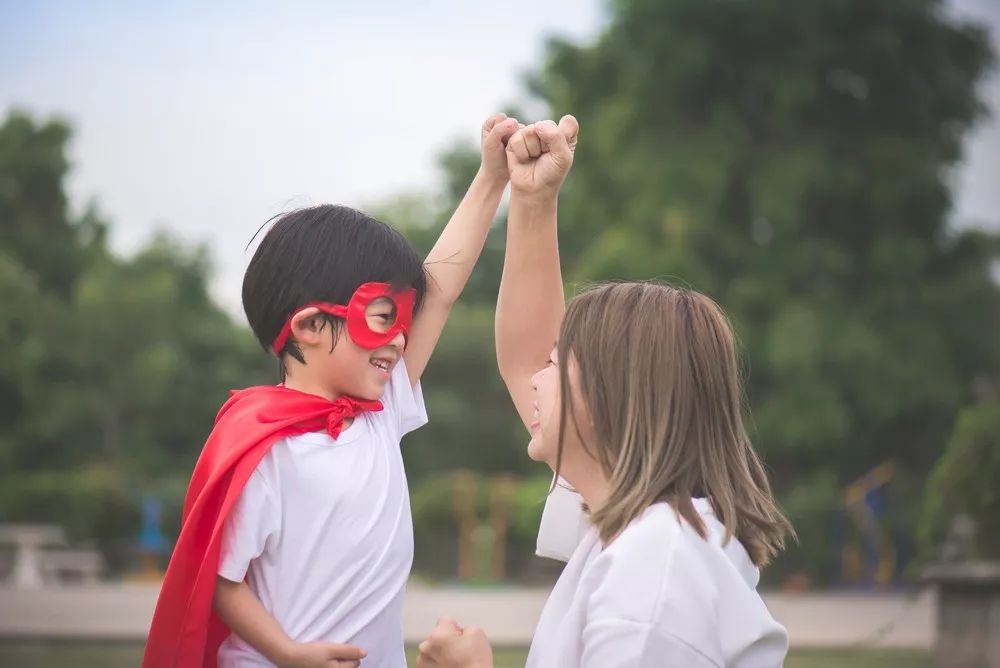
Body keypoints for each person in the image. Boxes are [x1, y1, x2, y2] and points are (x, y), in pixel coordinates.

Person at [143, 113, 522, 668]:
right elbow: (221, 577)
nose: (399, 339)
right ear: (310, 326)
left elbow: (439, 289)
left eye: (404, 320)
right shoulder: (266, 448)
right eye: (382, 317)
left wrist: (492, 175)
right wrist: (287, 652)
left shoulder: (378, 409)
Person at [417, 117, 793, 667]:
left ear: (608, 397)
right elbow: (524, 357)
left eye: (556, 362)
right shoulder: (635, 527)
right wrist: (533, 198)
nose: (535, 378)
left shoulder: (654, 580)